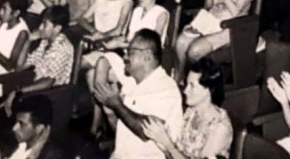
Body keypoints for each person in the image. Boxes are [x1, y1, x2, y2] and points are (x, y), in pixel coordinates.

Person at [89, 29, 183, 159]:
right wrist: (110, 113)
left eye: (130, 52)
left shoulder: (166, 89)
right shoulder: (133, 83)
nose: (125, 57)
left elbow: (146, 133)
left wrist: (117, 105)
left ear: (147, 56)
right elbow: (126, 132)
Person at [140, 58, 233, 159]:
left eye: (192, 86)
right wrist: (162, 141)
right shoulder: (191, 112)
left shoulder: (220, 128)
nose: (185, 90)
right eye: (186, 84)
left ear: (208, 90)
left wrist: (168, 145)